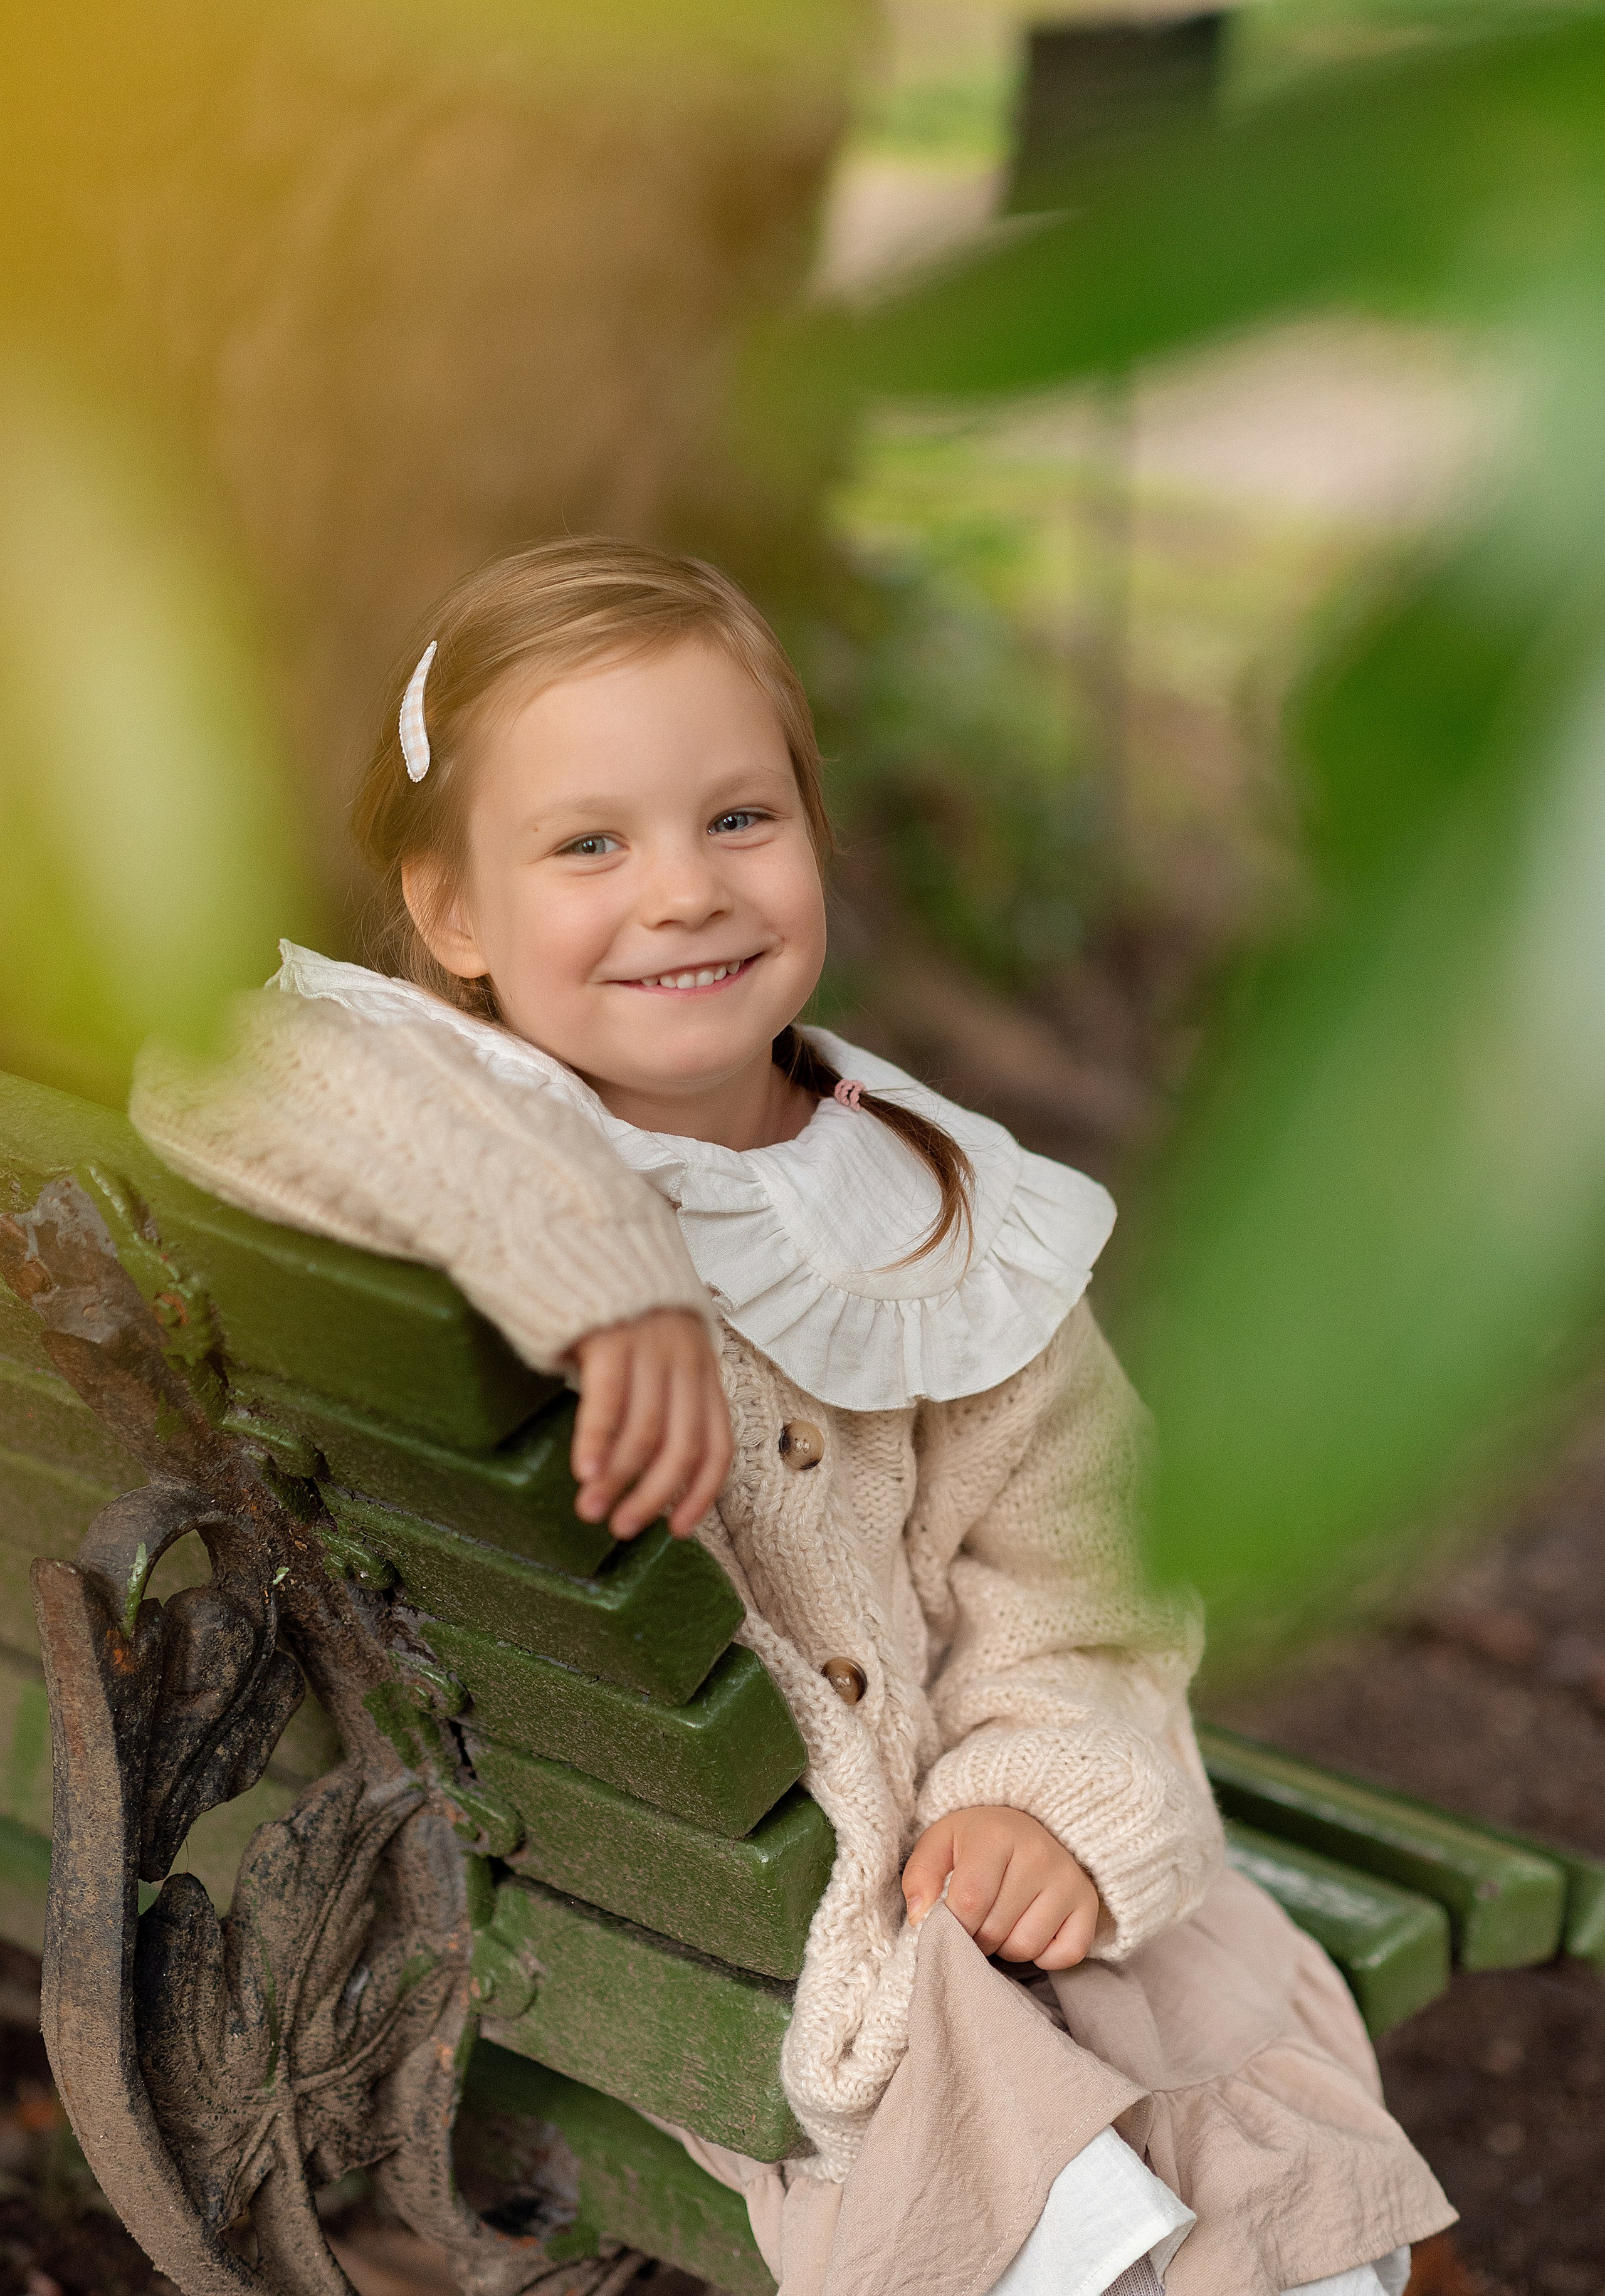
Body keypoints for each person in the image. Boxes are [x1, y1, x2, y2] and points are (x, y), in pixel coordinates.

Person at [131, 538, 1453, 2296]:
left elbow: (1088, 1581)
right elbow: (224, 1066)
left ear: (815, 839)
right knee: (1101, 2176)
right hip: (687, 1907)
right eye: (588, 845)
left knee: (1222, 2111)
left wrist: (1040, 1793)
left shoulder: (942, 1221)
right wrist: (595, 1256)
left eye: (740, 820)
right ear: (449, 915)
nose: (683, 891)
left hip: (869, 1870)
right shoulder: (426, 1119)